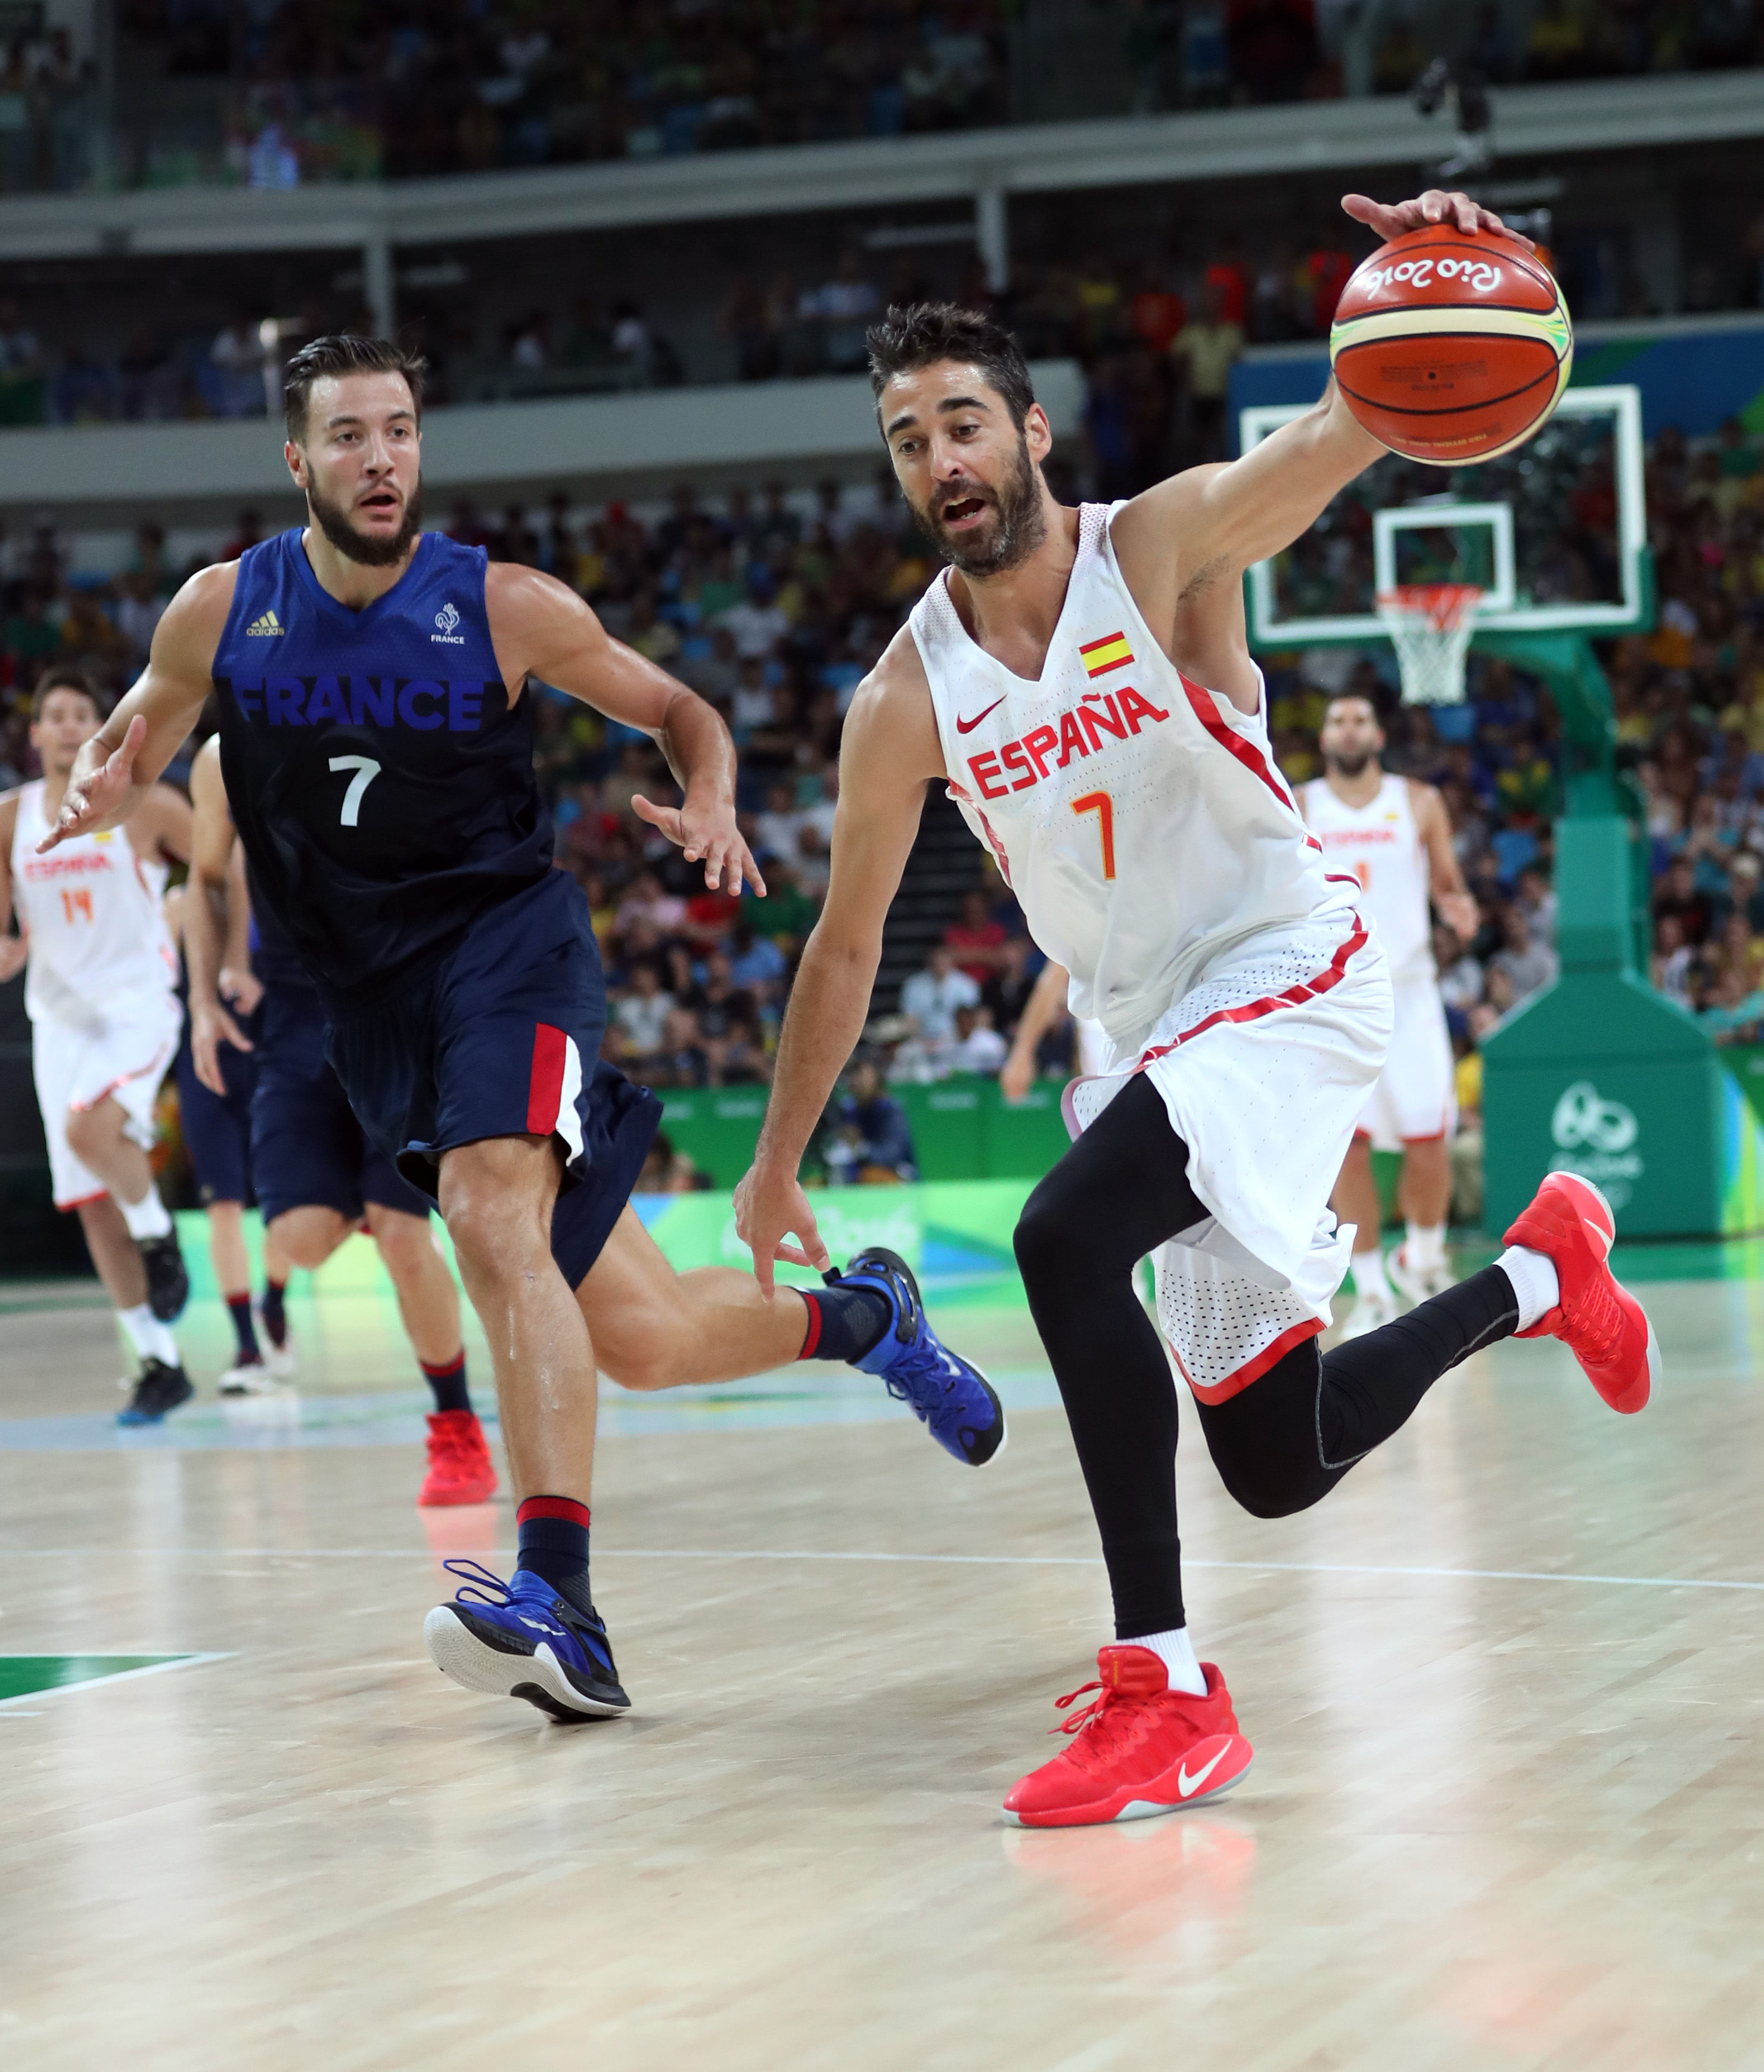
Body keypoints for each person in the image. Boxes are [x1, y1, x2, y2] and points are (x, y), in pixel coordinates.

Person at [732, 188, 1660, 1831]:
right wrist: (773, 1158)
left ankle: (1164, 1685)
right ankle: (1541, 1268)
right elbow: (845, 943)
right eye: (904, 440)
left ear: (1027, 432)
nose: (939, 459)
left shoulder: (1149, 552)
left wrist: (1434, 286)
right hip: (1144, 1031)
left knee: (1059, 1239)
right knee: (1276, 1457)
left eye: (962, 422)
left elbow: (1323, 440)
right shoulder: (902, 699)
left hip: (1285, 967)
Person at [43, 333, 1003, 1728]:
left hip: (503, 955)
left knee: (496, 1216)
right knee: (647, 1340)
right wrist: (101, 760)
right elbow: (144, 721)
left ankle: (563, 1602)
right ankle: (866, 1316)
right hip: (367, 1009)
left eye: (401, 431)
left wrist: (714, 792)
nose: (382, 458)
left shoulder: (500, 605)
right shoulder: (220, 608)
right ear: (297, 460)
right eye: (351, 435)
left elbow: (677, 708)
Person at [184, 734, 490, 1499]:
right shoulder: (228, 753)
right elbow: (208, 877)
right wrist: (208, 989)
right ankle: (362, 1193)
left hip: (397, 1006)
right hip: (292, 1014)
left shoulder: (395, 717)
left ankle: (455, 1428)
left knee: (402, 1236)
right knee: (298, 1238)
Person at [0, 666, 195, 1425]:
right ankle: (160, 1363)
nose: (73, 723)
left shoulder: (142, 806)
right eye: (58, 714)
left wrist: (198, 926)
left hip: (136, 1006)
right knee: (90, 1205)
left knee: (91, 1130)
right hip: (58, 1019)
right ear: (38, 733)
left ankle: (161, 1239)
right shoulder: (14, 818)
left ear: (101, 724)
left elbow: (219, 853)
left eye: (85, 711)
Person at [1300, 691, 1478, 1329]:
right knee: (1349, 1148)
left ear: (1377, 735)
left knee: (1430, 1137)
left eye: (1359, 719)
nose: (1348, 729)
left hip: (1408, 988)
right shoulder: (1298, 806)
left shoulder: (1417, 801)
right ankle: (1370, 1285)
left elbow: (1448, 886)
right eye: (1337, 720)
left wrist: (1460, 909)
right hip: (1332, 994)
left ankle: (1421, 1256)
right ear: (1324, 739)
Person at [167, 850, 297, 1394]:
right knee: (222, 1203)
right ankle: (245, 1345)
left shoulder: (278, 898)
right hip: (206, 1069)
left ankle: (275, 1295)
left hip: (273, 1057)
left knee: (282, 1200)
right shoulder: (176, 908)